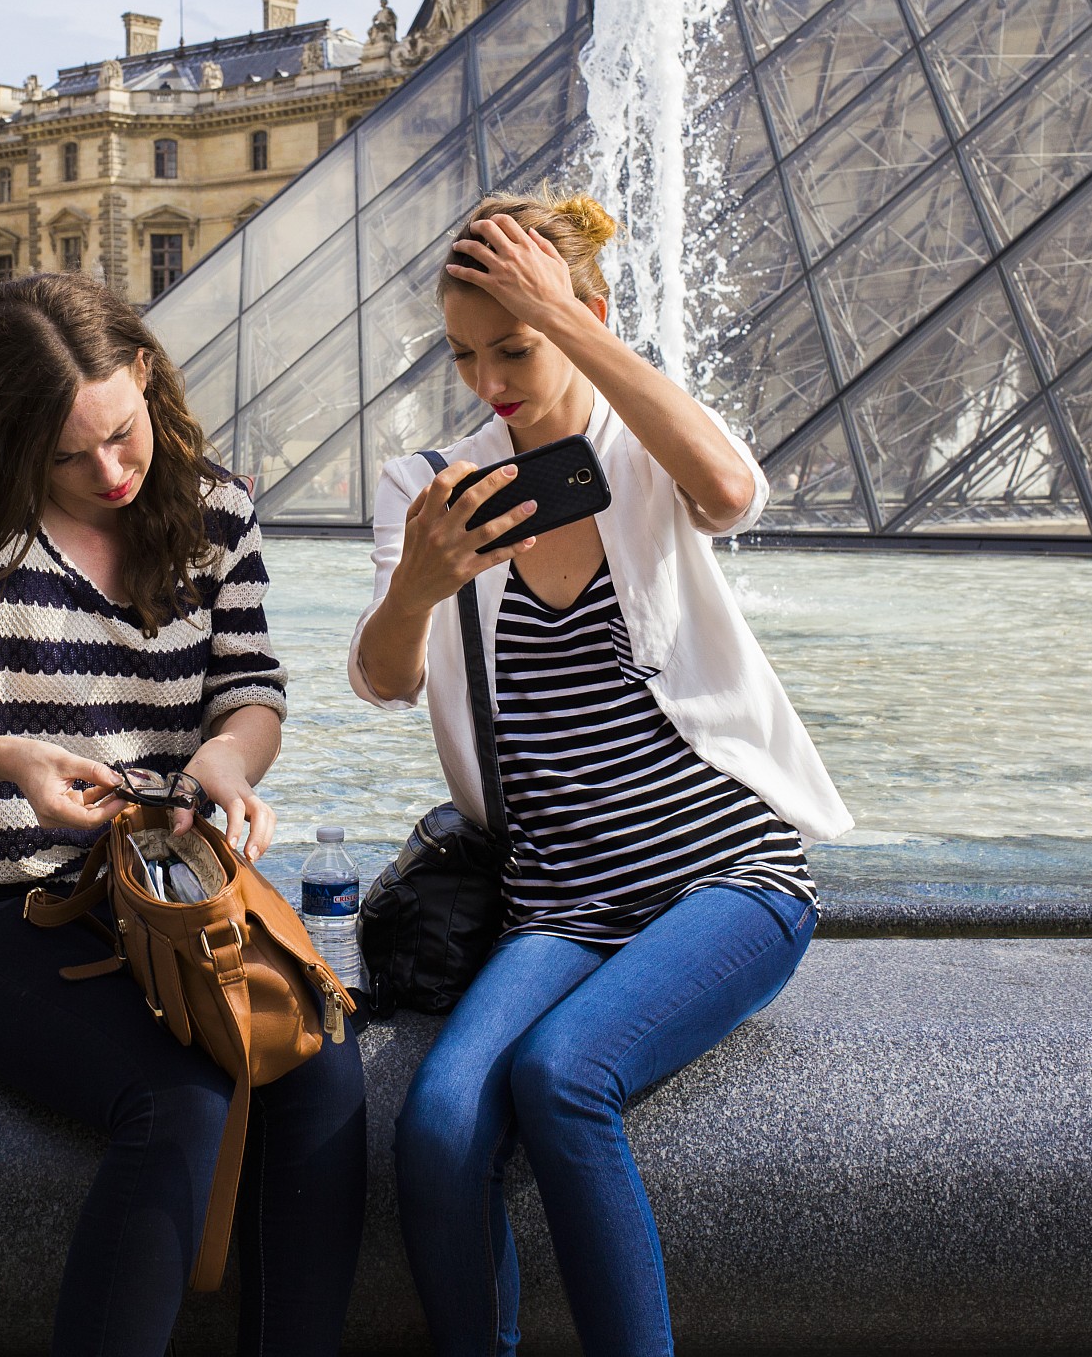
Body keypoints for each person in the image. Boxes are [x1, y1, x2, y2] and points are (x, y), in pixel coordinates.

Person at [0, 274, 363, 1357]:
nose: (111, 472)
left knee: (320, 1063)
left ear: (146, 375)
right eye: (70, 457)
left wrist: (226, 757)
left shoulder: (216, 512)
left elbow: (251, 691)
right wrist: (9, 757)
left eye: (122, 434)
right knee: (182, 1099)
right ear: (10, 438)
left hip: (166, 902)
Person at [351, 195, 856, 1357]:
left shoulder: (641, 445)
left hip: (724, 876)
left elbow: (732, 493)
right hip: (561, 901)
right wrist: (420, 584)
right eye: (465, 355)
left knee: (562, 1076)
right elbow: (384, 680)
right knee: (437, 1126)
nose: (490, 382)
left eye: (515, 346)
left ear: (586, 316)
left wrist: (573, 327)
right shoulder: (431, 483)